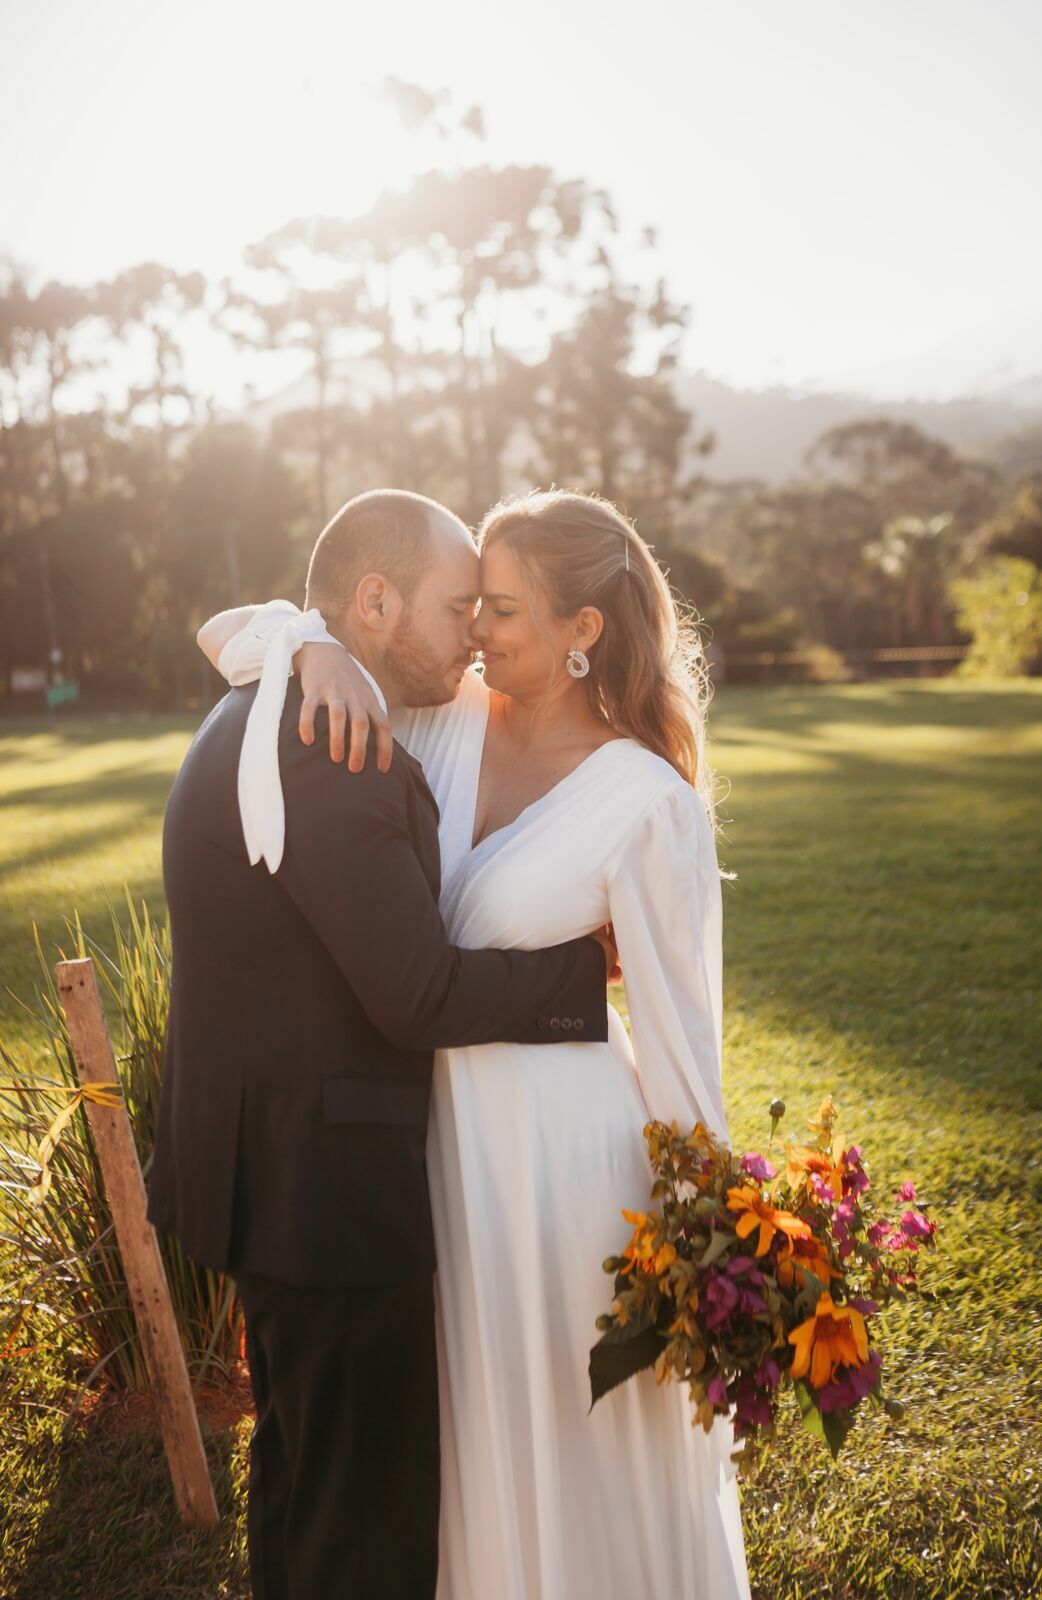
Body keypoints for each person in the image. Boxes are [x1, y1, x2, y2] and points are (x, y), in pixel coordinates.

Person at [200, 488, 751, 1600]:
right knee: (456, 1450)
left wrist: (720, 1244)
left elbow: (684, 1037)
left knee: (566, 1432)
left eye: (500, 609)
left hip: (565, 1170)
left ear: (581, 629)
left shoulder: (647, 802)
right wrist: (310, 648)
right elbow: (224, 636)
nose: (475, 632)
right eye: (473, 605)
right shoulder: (434, 714)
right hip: (430, 1152)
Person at [149, 489, 616, 1600]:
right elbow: (414, 994)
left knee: (305, 1476)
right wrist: (576, 974)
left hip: (269, 1178)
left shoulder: (264, 694)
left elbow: (244, 623)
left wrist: (304, 641)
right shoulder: (334, 743)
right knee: (369, 1524)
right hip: (332, 1198)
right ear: (372, 602)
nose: (474, 631)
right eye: (459, 605)